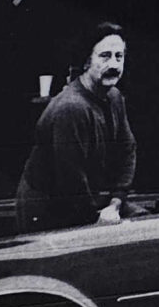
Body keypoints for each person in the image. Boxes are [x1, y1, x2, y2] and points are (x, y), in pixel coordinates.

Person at [16, 21, 138, 231]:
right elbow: (70, 183)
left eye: (119, 56)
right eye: (105, 56)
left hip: (92, 201)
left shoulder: (115, 97)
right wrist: (99, 220)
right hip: (50, 210)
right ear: (87, 61)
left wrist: (115, 203)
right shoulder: (71, 109)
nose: (114, 64)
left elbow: (128, 151)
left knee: (146, 224)